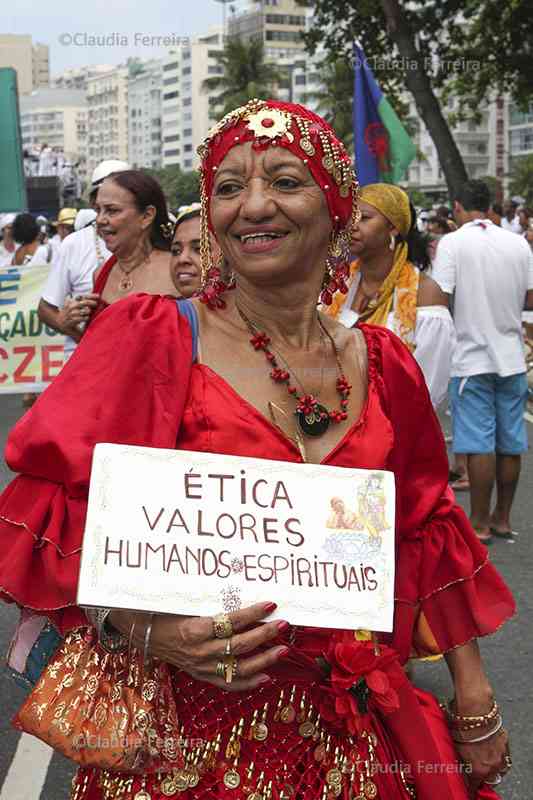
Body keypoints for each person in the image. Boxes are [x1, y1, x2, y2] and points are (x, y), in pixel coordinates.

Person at [0, 100, 513, 800]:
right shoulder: (150, 337)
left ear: (335, 209)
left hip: (350, 734)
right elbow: (53, 511)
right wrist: (149, 630)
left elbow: (426, 530)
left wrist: (474, 698)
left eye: (284, 181)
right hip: (185, 744)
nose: (254, 206)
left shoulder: (385, 362)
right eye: (230, 187)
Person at [433, 179, 533, 544]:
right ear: (489, 205)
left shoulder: (453, 243)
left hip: (471, 358)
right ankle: (503, 519)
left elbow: (438, 299)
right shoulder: (518, 243)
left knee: (478, 444)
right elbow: (529, 298)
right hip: (511, 356)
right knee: (510, 443)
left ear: (457, 207)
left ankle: (479, 524)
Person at [324, 184, 455, 409]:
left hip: (395, 424)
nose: (352, 225)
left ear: (393, 228)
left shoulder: (426, 294)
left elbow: (428, 386)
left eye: (364, 217)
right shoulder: (338, 287)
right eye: (350, 217)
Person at [37, 160, 129, 363]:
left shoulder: (158, 244)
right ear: (93, 202)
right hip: (86, 363)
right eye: (104, 196)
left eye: (119, 196)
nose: (110, 203)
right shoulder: (74, 244)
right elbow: (45, 310)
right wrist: (71, 327)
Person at [87, 169, 177, 320]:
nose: (100, 220)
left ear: (146, 216)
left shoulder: (177, 270)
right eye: (98, 210)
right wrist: (71, 327)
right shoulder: (100, 274)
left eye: (112, 210)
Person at [169, 203, 203, 298]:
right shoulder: (158, 311)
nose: (182, 259)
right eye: (176, 251)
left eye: (198, 249)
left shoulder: (246, 311)